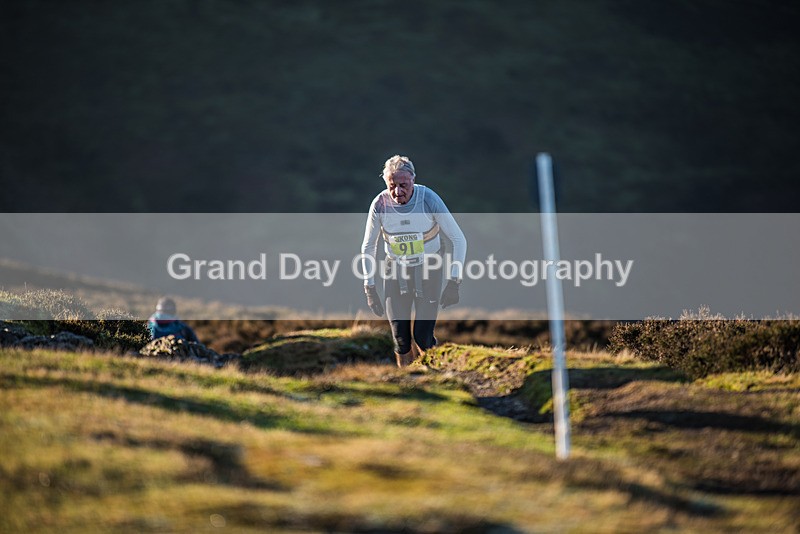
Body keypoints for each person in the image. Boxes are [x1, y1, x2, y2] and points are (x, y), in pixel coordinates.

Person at [361, 155, 466, 367]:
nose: (397, 192)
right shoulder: (380, 204)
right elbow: (368, 246)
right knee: (400, 339)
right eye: (392, 186)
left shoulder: (428, 199)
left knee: (423, 337)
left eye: (403, 185)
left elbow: (458, 239)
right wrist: (369, 288)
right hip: (395, 269)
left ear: (413, 179)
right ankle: (408, 380)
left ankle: (437, 374)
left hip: (429, 269)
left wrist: (454, 282)